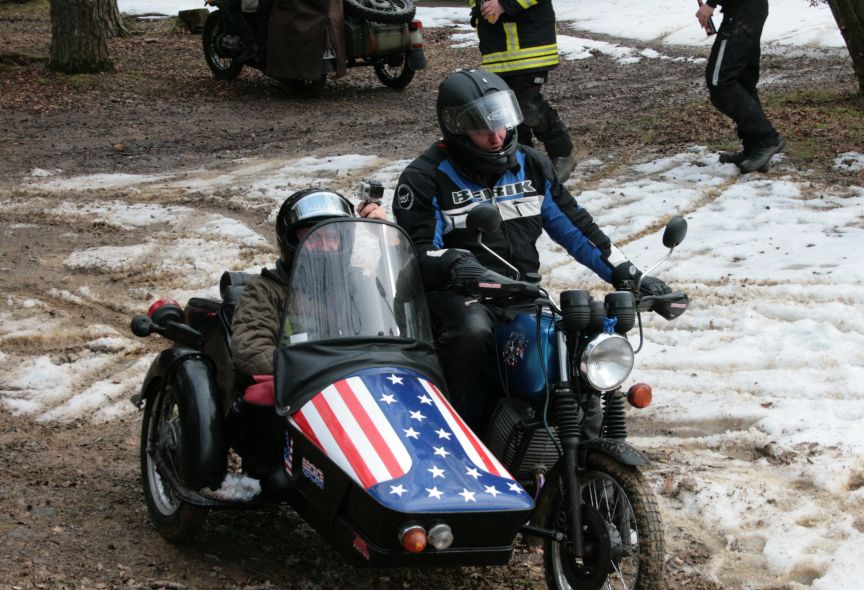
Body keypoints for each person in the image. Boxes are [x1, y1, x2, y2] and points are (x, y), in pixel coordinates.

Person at [392, 69, 670, 419]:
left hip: (522, 292)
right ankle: (457, 426)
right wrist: (456, 263)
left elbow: (577, 228)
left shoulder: (532, 165)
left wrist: (630, 275)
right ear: (455, 127)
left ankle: (581, 430)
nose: (496, 136)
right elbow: (419, 252)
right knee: (473, 333)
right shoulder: (425, 177)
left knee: (580, 337)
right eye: (482, 128)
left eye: (501, 123)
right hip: (459, 297)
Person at [232, 188, 388, 377]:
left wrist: (388, 239)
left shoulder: (358, 282)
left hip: (362, 382)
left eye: (332, 237)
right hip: (304, 388)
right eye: (312, 237)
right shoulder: (265, 290)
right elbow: (251, 350)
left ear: (345, 239)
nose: (325, 247)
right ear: (291, 242)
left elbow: (397, 322)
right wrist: (321, 368)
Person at [469, 0, 577, 182]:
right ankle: (522, 163)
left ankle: (562, 152)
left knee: (526, 105)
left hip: (529, 46)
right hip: (497, 49)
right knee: (507, 113)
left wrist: (504, 4)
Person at [696, 0, 784, 173]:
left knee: (721, 82)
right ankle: (755, 150)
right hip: (748, 10)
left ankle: (767, 140)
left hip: (742, 11)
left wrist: (711, 3)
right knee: (742, 80)